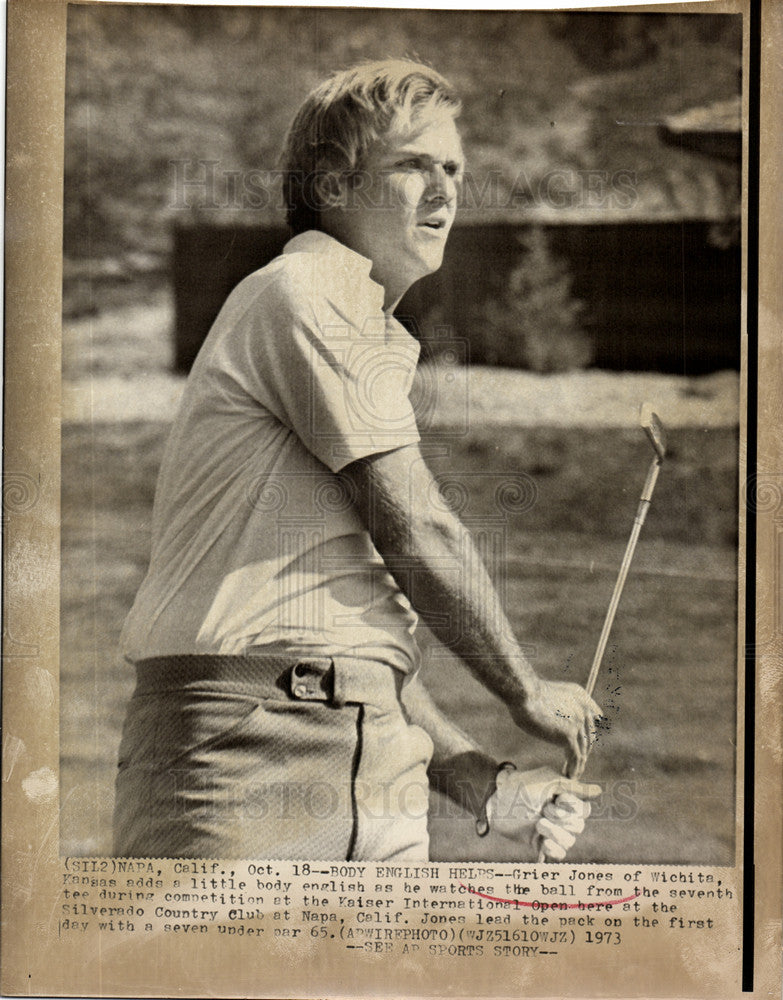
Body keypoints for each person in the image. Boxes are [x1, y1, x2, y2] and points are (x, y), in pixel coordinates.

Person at [113, 59, 603, 862]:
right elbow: (420, 532)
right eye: (414, 165)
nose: (446, 190)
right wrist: (524, 690)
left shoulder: (352, 323)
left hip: (366, 749)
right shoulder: (306, 290)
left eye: (454, 168)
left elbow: (356, 647)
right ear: (333, 186)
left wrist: (487, 781)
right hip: (246, 753)